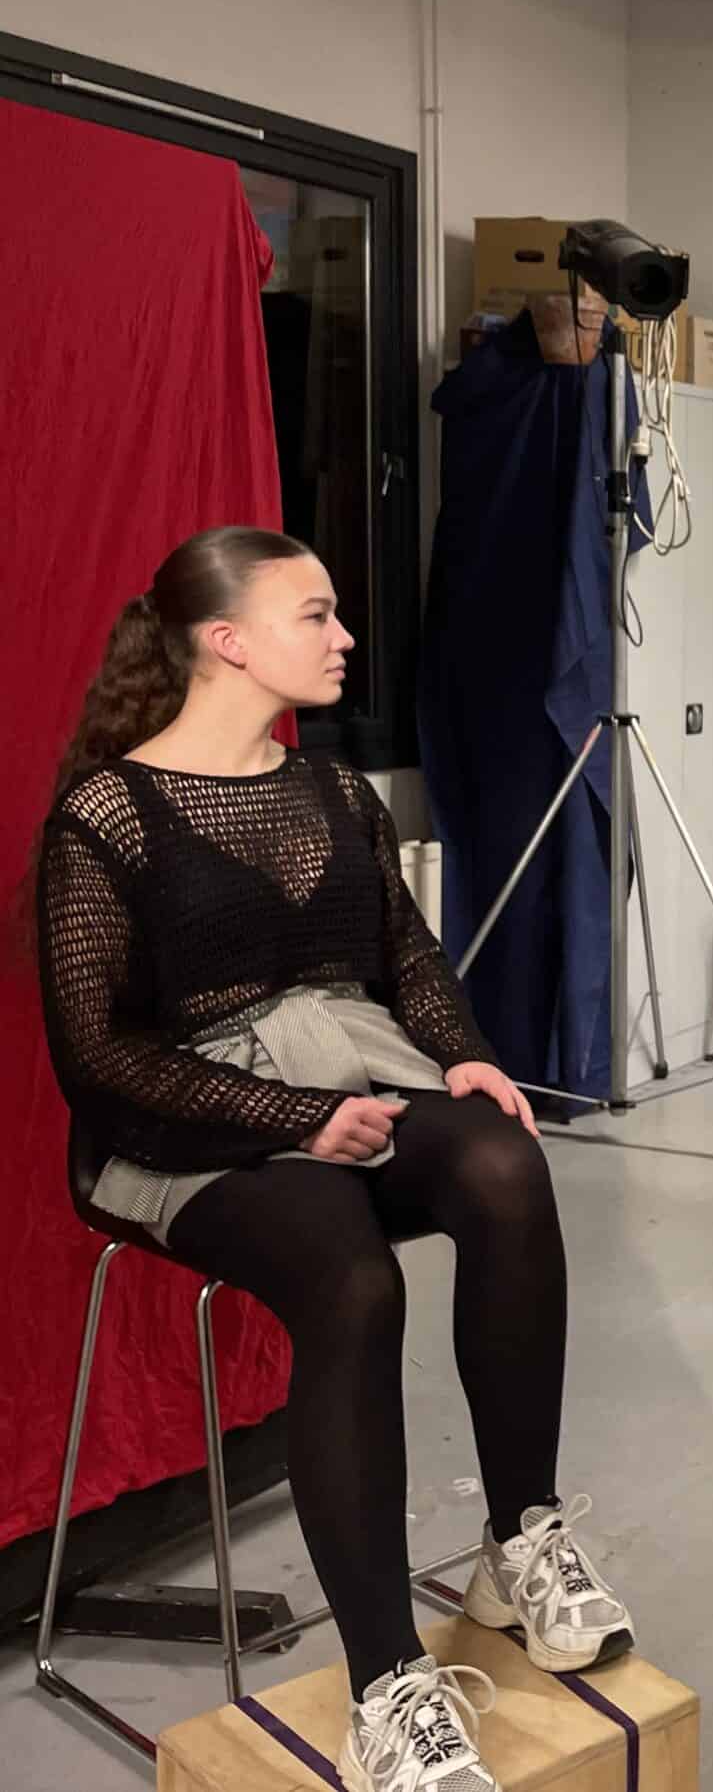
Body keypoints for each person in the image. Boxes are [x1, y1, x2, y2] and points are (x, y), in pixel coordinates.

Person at [36, 528, 632, 1792]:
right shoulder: (107, 812)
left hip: (353, 1070)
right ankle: (386, 1683)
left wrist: (465, 1057)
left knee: (504, 1163)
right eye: (315, 613)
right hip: (186, 1124)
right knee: (353, 1276)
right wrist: (289, 1118)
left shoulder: (334, 788)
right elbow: (95, 1053)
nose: (344, 636)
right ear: (228, 640)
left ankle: (520, 1538)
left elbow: (407, 958)